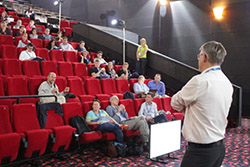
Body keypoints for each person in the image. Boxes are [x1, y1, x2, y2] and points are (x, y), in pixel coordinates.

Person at [171, 41, 233, 167]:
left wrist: (188, 109)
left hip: (200, 152)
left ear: (204, 57)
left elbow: (174, 103)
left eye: (199, 56)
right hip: (219, 148)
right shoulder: (227, 82)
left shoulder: (200, 81)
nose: (198, 59)